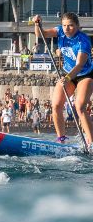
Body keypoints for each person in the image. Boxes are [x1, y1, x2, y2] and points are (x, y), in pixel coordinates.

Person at [33, 13, 93, 144]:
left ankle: (91, 141)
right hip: (67, 74)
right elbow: (40, 34)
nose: (67, 28)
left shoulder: (83, 41)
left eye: (71, 25)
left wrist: (66, 78)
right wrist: (37, 24)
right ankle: (62, 139)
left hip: (85, 75)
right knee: (56, 105)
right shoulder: (59, 31)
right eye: (65, 25)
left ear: (77, 26)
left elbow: (79, 65)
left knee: (80, 107)